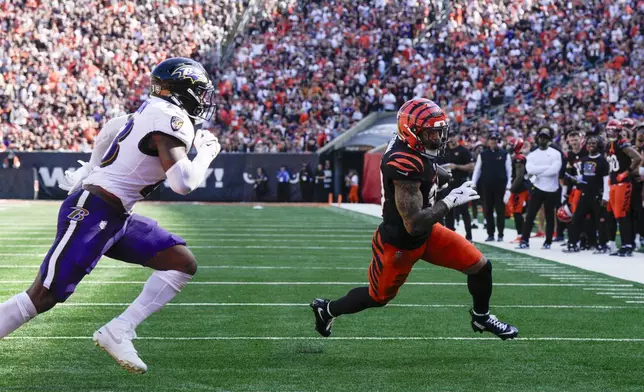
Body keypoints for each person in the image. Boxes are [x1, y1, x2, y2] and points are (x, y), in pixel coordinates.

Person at [0, 57, 221, 374]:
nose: (201, 99)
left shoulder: (150, 111)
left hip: (117, 215)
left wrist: (92, 169)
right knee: (44, 295)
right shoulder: (170, 118)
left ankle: (120, 329)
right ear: (182, 89)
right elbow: (183, 182)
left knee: (180, 262)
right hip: (94, 210)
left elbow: (111, 128)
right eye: (198, 91)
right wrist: (207, 153)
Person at [310, 98, 518, 341]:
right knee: (378, 297)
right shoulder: (403, 162)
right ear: (413, 133)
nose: (439, 139)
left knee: (481, 267)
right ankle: (327, 309)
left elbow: (424, 166)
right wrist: (449, 201)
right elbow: (414, 222)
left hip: (427, 233)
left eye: (440, 132)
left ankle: (481, 317)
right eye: (432, 133)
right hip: (401, 243)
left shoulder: (411, 144)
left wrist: (437, 173)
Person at [517, 127, 563, 249]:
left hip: (551, 189)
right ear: (537, 138)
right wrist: (545, 168)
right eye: (541, 137)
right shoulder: (532, 154)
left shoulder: (556, 153)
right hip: (537, 187)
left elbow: (555, 170)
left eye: (545, 137)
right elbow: (530, 170)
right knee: (531, 215)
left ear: (549, 140)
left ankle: (548, 241)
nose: (543, 139)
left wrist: (538, 171)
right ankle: (524, 240)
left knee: (549, 216)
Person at [562, 136, 609, 253]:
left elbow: (605, 180)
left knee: (600, 221)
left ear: (599, 145)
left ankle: (602, 245)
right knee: (576, 219)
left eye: (594, 143)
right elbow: (583, 176)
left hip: (597, 195)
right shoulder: (584, 159)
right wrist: (576, 179)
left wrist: (605, 196)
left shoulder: (603, 161)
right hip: (584, 194)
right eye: (589, 143)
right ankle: (572, 243)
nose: (591, 145)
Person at [604, 119, 642, 256]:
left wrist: (627, 172)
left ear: (619, 131)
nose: (610, 132)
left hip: (623, 183)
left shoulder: (622, 143)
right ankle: (626, 244)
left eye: (613, 130)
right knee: (615, 214)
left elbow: (637, 158)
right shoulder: (609, 144)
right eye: (609, 130)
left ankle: (627, 245)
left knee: (622, 214)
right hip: (613, 183)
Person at [472, 132, 512, 242]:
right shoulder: (483, 154)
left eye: (495, 139)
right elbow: (477, 170)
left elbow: (509, 172)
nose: (493, 141)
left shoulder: (505, 154)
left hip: (500, 186)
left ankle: (500, 234)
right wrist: (473, 184)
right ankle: (490, 234)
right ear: (488, 141)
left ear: (497, 141)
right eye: (491, 139)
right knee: (488, 210)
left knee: (500, 210)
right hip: (486, 186)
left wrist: (508, 186)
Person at [443, 131, 474, 241]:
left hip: (460, 183)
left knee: (464, 210)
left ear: (458, 137)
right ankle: (451, 235)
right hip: (447, 184)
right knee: (448, 210)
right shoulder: (444, 150)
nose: (452, 138)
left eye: (454, 136)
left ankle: (469, 235)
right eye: (450, 136)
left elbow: (471, 166)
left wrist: (456, 166)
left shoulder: (463, 150)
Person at [558, 130, 587, 244]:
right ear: (568, 141)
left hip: (588, 188)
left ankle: (588, 239)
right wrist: (564, 192)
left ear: (581, 139)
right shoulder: (568, 156)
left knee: (587, 216)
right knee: (572, 214)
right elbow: (563, 176)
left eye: (576, 139)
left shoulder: (587, 152)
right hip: (574, 189)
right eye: (572, 140)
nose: (574, 142)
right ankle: (575, 238)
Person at [506, 138, 530, 243]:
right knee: (518, 212)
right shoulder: (518, 157)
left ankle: (521, 235)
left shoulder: (518, 158)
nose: (509, 147)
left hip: (520, 189)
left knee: (517, 212)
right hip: (521, 188)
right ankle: (522, 235)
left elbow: (519, 176)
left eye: (511, 145)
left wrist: (511, 189)